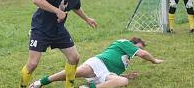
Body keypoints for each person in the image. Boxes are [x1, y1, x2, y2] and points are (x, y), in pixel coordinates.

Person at [20, 0, 97, 88]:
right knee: (33, 64)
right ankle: (23, 86)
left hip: (58, 29)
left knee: (74, 58)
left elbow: (75, 6)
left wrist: (87, 19)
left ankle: (69, 86)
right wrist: (57, 11)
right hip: (41, 28)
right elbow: (37, 0)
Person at [28, 37, 164, 88]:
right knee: (76, 73)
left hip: (105, 74)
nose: (138, 52)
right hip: (98, 63)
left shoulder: (127, 59)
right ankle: (41, 82)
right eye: (138, 47)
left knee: (124, 82)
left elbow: (113, 75)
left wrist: (126, 76)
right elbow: (144, 54)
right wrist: (155, 61)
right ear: (133, 44)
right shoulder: (125, 43)